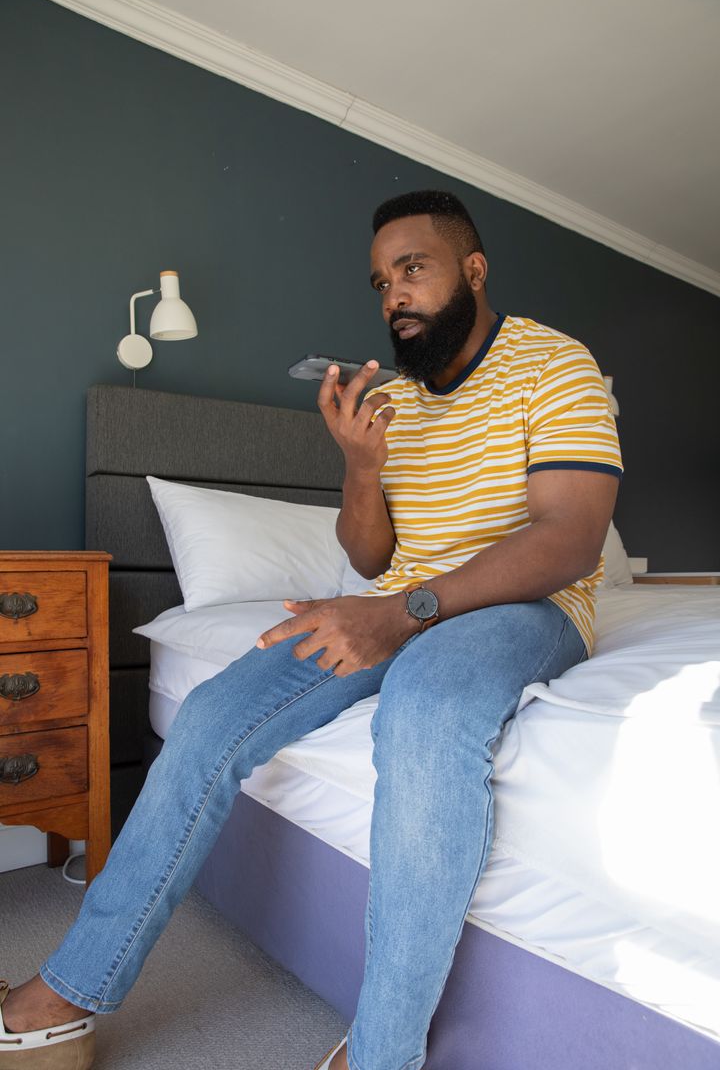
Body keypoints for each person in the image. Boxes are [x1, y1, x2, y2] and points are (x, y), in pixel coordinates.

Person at [0, 190, 622, 1070]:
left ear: (473, 270)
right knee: (215, 712)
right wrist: (361, 467)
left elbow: (570, 538)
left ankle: (383, 1056)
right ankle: (69, 993)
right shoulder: (394, 406)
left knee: (426, 706)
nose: (393, 296)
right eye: (380, 282)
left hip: (525, 607)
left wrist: (401, 616)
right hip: (397, 602)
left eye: (413, 269)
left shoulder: (555, 364)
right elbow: (370, 561)